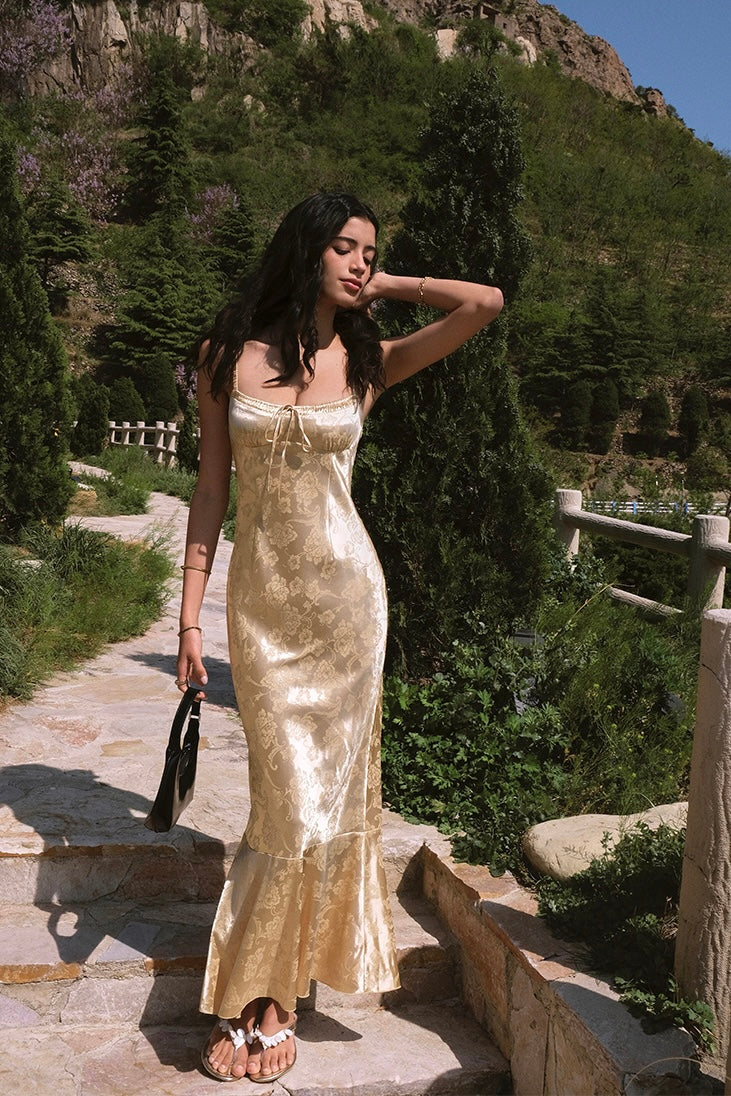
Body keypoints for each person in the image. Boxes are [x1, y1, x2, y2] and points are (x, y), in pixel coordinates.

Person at [175, 191, 503, 1083]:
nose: (360, 261)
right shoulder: (223, 356)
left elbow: (484, 303)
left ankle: (270, 1003)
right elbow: (210, 491)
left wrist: (389, 284)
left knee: (321, 804)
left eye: (369, 250)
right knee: (283, 803)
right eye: (346, 248)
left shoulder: (367, 365)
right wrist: (189, 615)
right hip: (262, 611)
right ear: (305, 249)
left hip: (349, 607)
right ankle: (264, 987)